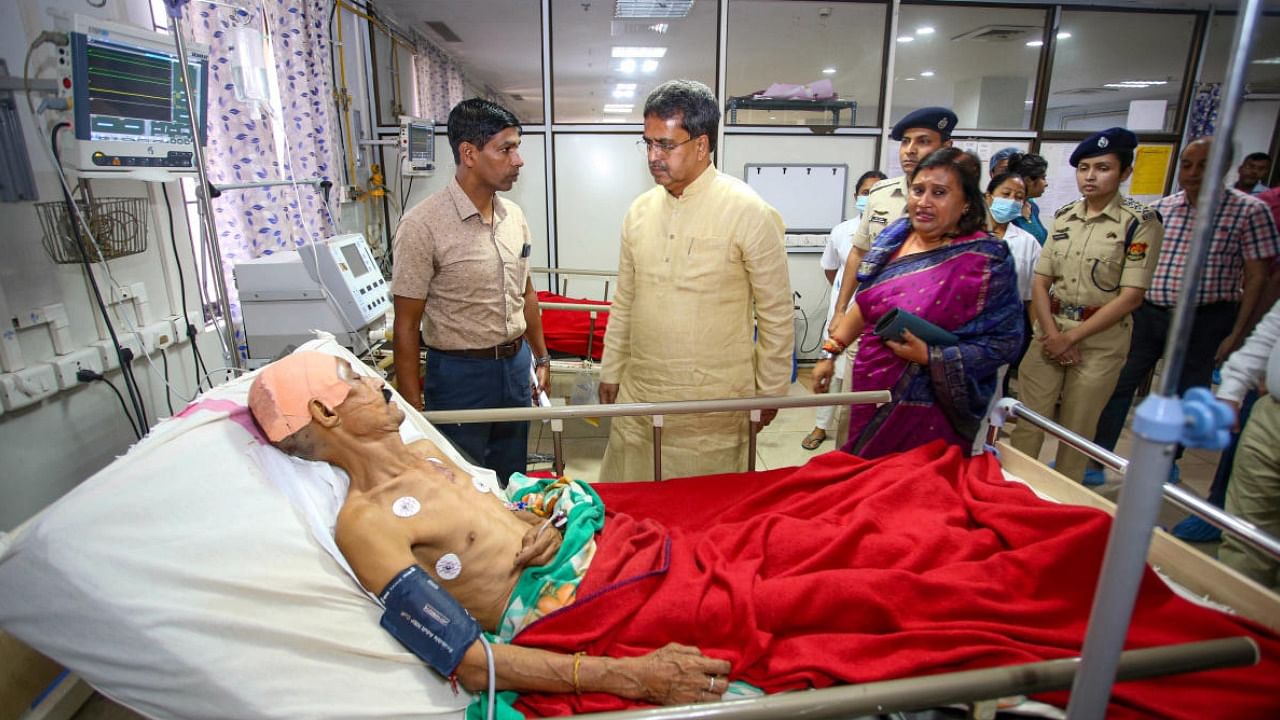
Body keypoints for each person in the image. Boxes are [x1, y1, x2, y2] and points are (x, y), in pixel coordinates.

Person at [247, 352, 730, 708]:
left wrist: (550, 522)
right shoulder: (367, 524)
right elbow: (471, 662)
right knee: (757, 600)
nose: (379, 381)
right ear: (326, 414)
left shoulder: (428, 458)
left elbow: (514, 512)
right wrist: (633, 677)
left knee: (754, 545)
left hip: (618, 554)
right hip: (588, 606)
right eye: (354, 380)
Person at [598, 79, 794, 480]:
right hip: (641, 397)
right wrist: (610, 368)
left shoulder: (748, 211)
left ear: (702, 145)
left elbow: (776, 311)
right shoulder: (639, 211)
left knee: (701, 521)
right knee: (632, 509)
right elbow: (625, 300)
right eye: (648, 143)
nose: (653, 156)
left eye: (665, 145)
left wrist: (771, 392)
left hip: (712, 410)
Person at [1088, 138, 1280, 487]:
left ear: (1224, 167)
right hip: (1150, 312)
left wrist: (1237, 334)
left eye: (1203, 165)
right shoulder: (1163, 209)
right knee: (1118, 383)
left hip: (1205, 317)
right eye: (1187, 164)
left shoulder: (1249, 211)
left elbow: (1258, 278)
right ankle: (1097, 458)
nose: (1192, 173)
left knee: (1185, 392)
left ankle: (1166, 463)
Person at [811, 148, 1024, 457]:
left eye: (939, 193)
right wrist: (830, 352)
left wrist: (932, 355)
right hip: (872, 384)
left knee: (913, 491)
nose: (924, 202)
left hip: (932, 404)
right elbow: (867, 303)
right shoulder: (896, 236)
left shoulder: (985, 259)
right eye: (918, 190)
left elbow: (1006, 342)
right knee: (864, 480)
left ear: (965, 203)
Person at [391, 99, 551, 487]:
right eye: (506, 149)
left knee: (513, 477)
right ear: (469, 153)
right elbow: (406, 324)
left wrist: (541, 356)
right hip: (460, 376)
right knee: (461, 483)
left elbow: (526, 293)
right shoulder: (422, 226)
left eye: (517, 148)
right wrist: (414, 409)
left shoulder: (514, 217)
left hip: (515, 367)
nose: (518, 160)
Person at [1009, 128, 1164, 483]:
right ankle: (1012, 492)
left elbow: (1131, 296)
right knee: (1028, 423)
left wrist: (1073, 337)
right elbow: (1041, 280)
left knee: (1076, 432)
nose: (1090, 176)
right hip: (1050, 332)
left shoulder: (1140, 222)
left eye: (1102, 168)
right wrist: (1053, 334)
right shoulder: (1064, 216)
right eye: (1084, 168)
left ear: (1125, 172)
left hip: (1100, 340)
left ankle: (1063, 504)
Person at [828, 107, 958, 336]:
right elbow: (859, 254)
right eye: (905, 142)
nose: (910, 150)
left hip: (928, 323)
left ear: (946, 147)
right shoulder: (881, 194)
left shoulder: (962, 203)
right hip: (871, 316)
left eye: (923, 141)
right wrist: (840, 311)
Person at [802, 169, 887, 450]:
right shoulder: (842, 231)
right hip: (843, 313)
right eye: (865, 192)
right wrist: (842, 303)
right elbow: (831, 269)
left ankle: (856, 435)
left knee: (861, 379)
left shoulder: (894, 230)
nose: (869, 198)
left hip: (875, 318)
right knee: (830, 371)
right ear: (856, 196)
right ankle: (820, 426)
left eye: (876, 192)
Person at [1215, 299, 1280, 588]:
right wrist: (1233, 387)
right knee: (1244, 535)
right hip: (1272, 416)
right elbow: (1273, 327)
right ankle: (1236, 621)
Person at [986, 171, 1042, 392]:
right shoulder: (965, 235)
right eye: (1005, 194)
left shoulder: (1028, 243)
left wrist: (1038, 336)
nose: (1011, 201)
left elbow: (1033, 297)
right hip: (962, 327)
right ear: (989, 196)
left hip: (1005, 330)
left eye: (1018, 197)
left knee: (995, 391)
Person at [1009, 152, 1050, 245]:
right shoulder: (1006, 212)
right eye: (1043, 178)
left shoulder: (1032, 207)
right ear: (1028, 181)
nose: (1046, 184)